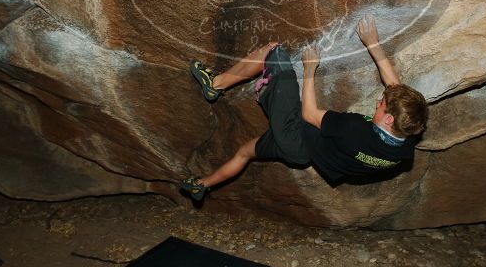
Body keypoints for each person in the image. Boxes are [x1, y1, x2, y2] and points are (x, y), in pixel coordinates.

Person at [181, 15, 427, 201]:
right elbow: (394, 88)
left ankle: (215, 84)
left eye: (381, 106)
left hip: (294, 130)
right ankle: (202, 185)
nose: (377, 103)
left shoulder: (352, 129)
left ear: (388, 120)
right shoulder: (405, 147)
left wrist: (310, 69)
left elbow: (308, 114)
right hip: (303, 155)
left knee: (274, 53)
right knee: (245, 153)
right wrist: (373, 43)